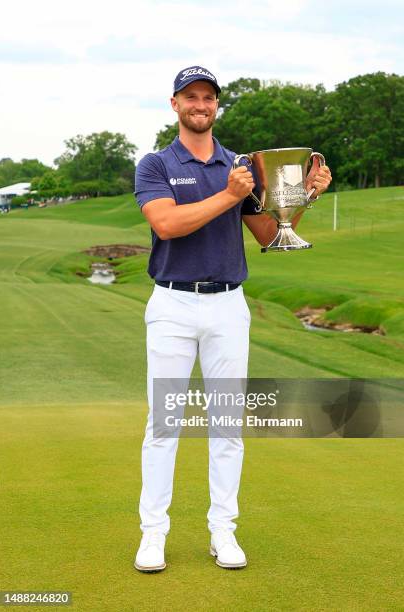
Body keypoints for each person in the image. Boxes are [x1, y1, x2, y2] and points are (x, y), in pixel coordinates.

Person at [134, 66, 332, 572]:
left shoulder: (239, 164)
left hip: (227, 305)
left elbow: (269, 234)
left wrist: (302, 197)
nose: (200, 104)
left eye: (208, 97)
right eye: (191, 97)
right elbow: (166, 223)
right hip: (173, 303)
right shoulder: (156, 164)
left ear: (216, 106)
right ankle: (153, 534)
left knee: (226, 426)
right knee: (165, 424)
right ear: (175, 105)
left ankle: (223, 531)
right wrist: (227, 193)